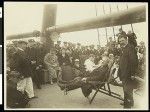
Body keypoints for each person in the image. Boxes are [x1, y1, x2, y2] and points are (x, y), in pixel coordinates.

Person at [118, 34, 138, 108]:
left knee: (127, 90)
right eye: (120, 41)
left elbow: (133, 62)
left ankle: (127, 106)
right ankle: (130, 102)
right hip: (123, 73)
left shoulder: (130, 48)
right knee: (127, 89)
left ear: (126, 40)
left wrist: (132, 73)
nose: (121, 42)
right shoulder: (123, 48)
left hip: (128, 73)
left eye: (122, 40)